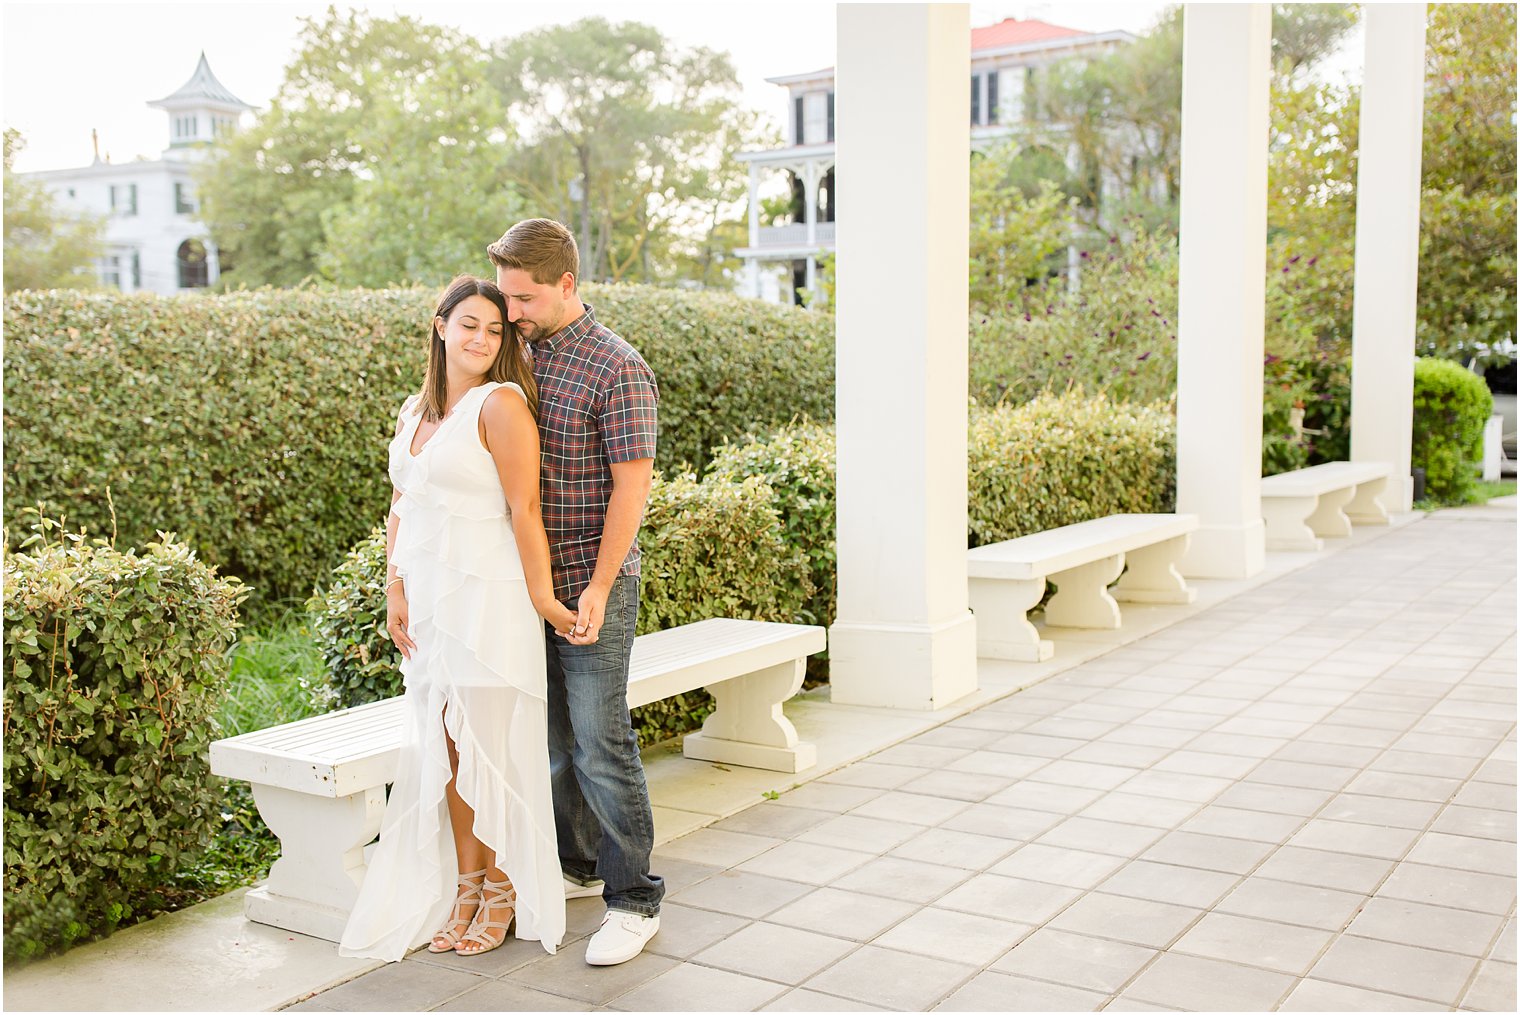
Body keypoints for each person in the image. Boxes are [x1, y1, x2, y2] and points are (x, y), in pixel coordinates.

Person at [338, 276, 575, 962]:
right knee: (447, 750)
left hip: (490, 598)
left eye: (496, 330)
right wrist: (395, 585)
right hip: (434, 603)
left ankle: (502, 891)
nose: (482, 338)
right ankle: (467, 885)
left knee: (490, 751)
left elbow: (525, 511)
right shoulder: (416, 409)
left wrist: (545, 601)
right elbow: (402, 503)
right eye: (469, 323)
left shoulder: (500, 406)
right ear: (439, 325)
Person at [487, 219, 665, 966]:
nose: (512, 311)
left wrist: (596, 586)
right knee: (555, 743)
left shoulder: (618, 368)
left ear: (567, 283)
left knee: (600, 742)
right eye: (505, 297)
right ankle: (579, 863)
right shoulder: (514, 355)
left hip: (594, 585)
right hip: (522, 585)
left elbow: (633, 490)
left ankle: (634, 899)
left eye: (524, 297)